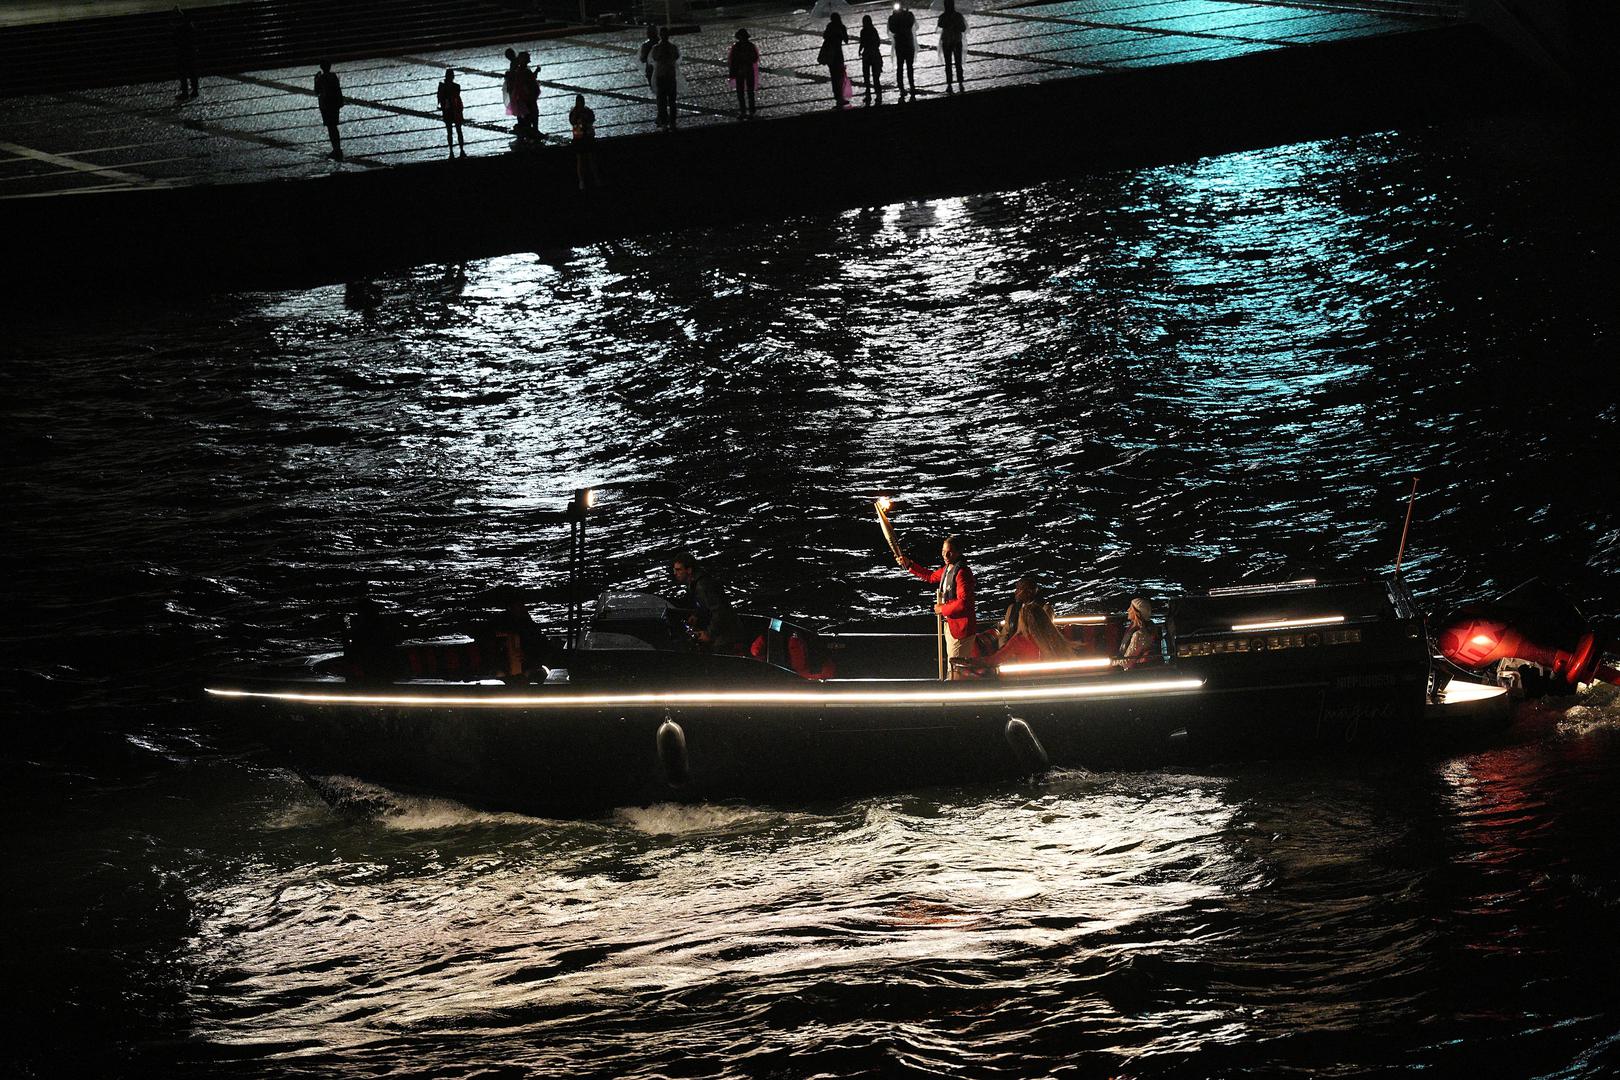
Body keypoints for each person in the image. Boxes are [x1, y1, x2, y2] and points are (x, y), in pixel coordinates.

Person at [899, 535, 977, 678]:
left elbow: (963, 602)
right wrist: (909, 564)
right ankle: (953, 695)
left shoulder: (962, 573)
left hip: (961, 629)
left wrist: (942, 609)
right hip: (951, 626)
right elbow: (930, 576)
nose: (945, 555)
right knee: (953, 667)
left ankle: (955, 696)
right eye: (943, 552)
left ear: (959, 552)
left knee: (955, 670)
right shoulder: (948, 569)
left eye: (950, 552)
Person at [970, 601, 1073, 673]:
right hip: (1055, 681)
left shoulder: (1019, 640)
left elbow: (994, 660)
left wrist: (969, 661)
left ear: (1022, 620)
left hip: (1028, 683)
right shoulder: (1054, 636)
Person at [671, 551, 741, 652]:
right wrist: (696, 615)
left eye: (678, 570)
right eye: (674, 569)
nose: (675, 573)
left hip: (727, 632)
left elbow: (719, 611)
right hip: (721, 625)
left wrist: (709, 634)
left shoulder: (702, 586)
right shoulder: (695, 582)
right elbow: (703, 603)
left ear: (689, 570)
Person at [993, 575, 1043, 650]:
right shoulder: (1011, 608)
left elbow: (1044, 635)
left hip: (1034, 650)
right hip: (1013, 649)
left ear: (1029, 592)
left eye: (1019, 589)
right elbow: (1005, 632)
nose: (1015, 592)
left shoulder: (1044, 609)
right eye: (1016, 589)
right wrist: (1004, 647)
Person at [1115, 597, 1159, 670]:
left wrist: (1110, 662)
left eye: (1130, 608)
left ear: (1136, 612)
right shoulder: (1134, 629)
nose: (1128, 610)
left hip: (1132, 673)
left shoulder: (1139, 634)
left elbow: (1128, 662)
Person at [818, 13, 851, 107]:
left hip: (836, 55)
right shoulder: (831, 26)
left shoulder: (841, 27)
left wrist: (840, 33)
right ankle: (839, 97)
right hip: (833, 55)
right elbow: (825, 36)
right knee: (836, 76)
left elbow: (846, 40)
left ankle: (839, 97)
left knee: (837, 76)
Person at [651, 27, 681, 128]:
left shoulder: (657, 48)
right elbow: (676, 56)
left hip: (663, 75)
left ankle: (665, 121)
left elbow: (654, 58)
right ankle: (670, 121)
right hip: (668, 75)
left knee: (663, 100)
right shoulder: (672, 47)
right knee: (670, 100)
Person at [569, 94, 600, 190]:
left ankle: (590, 180)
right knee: (583, 159)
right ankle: (585, 180)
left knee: (588, 159)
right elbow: (573, 121)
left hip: (583, 136)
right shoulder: (577, 112)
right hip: (581, 137)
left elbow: (590, 120)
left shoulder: (580, 111)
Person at [887, 0, 917, 100]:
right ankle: (903, 87)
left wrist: (905, 15)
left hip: (906, 43)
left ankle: (911, 86)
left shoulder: (908, 15)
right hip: (902, 43)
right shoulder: (893, 17)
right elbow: (892, 29)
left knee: (908, 66)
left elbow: (911, 23)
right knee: (902, 66)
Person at [727, 28, 760, 119]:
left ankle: (748, 112)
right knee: (743, 92)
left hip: (744, 71)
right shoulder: (746, 46)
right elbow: (733, 60)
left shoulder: (739, 47)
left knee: (747, 92)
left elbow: (733, 60)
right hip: (742, 71)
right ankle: (746, 112)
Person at [314, 60, 344, 160]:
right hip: (334, 104)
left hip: (326, 105)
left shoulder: (321, 78)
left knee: (331, 128)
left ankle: (336, 150)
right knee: (334, 127)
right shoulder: (334, 76)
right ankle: (337, 149)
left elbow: (316, 91)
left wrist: (315, 79)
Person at [937, 0, 967, 93]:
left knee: (957, 63)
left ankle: (959, 82)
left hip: (955, 41)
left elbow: (963, 28)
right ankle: (951, 83)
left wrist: (955, 25)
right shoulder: (944, 16)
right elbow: (940, 24)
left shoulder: (957, 16)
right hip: (948, 41)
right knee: (949, 63)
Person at [437, 69, 465, 158]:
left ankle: (452, 151)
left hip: (448, 111)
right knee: (458, 131)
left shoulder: (442, 87)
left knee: (450, 132)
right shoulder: (456, 86)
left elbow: (439, 98)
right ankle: (461, 150)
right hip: (455, 111)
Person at [172, 7, 198, 101]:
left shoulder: (180, 28)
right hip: (190, 51)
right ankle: (194, 91)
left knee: (184, 73)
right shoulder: (189, 26)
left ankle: (186, 92)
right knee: (191, 72)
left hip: (183, 52)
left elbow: (176, 39)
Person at [857, 15, 884, 102]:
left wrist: (860, 50)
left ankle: (868, 95)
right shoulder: (873, 30)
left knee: (866, 76)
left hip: (867, 55)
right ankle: (878, 95)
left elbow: (862, 42)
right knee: (875, 77)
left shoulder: (863, 31)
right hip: (874, 55)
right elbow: (878, 42)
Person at [638, 23, 659, 90]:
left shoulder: (646, 45)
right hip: (663, 70)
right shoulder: (662, 43)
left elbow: (642, 59)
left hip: (651, 70)